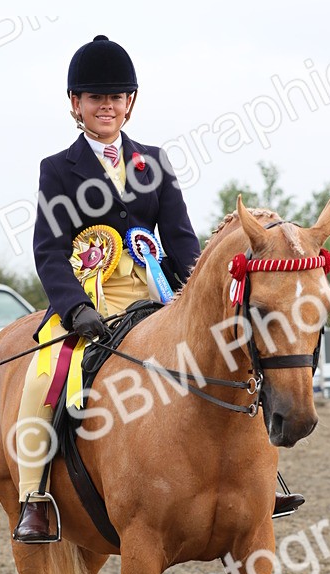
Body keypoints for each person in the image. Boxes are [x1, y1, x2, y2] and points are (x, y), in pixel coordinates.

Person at [12, 34, 202, 543]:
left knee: (221, 357)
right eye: (96, 98)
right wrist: (74, 309)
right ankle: (35, 498)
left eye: (117, 97)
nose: (107, 106)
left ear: (130, 103)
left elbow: (182, 243)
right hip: (90, 301)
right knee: (44, 376)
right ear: (76, 104)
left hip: (154, 294)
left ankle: (257, 479)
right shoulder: (58, 169)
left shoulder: (154, 162)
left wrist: (199, 296)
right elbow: (50, 250)